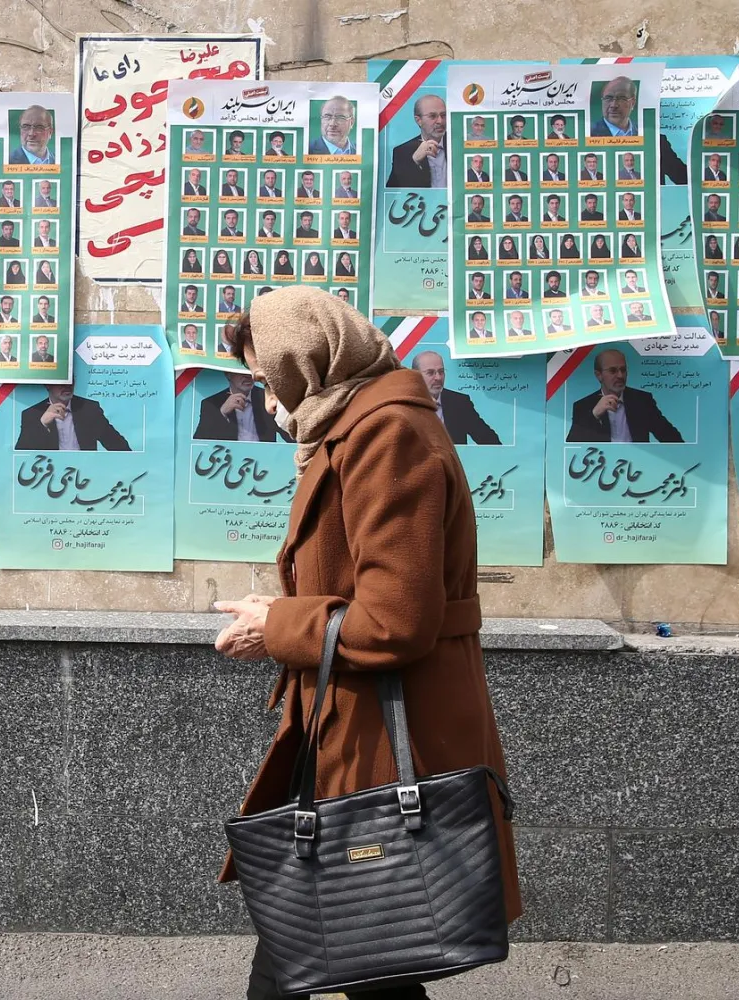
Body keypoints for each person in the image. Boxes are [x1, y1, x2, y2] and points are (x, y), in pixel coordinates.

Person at [213, 288, 520, 1000]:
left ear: (309, 362)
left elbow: (395, 620)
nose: (266, 401)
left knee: (345, 947)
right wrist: (283, 613)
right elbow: (357, 586)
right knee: (353, 949)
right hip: (356, 724)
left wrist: (280, 625)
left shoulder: (386, 436)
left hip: (384, 728)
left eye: (268, 381)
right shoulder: (354, 426)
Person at [567, 349, 683, 443]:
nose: (620, 375)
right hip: (603, 466)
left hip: (638, 467)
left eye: (623, 370)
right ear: (599, 375)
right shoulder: (583, 406)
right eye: (613, 371)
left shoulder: (642, 400)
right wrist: (594, 414)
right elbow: (573, 444)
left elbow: (671, 437)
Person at [412, 350, 499, 445]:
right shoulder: (407, 404)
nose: (438, 378)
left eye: (441, 372)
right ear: (415, 376)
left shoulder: (459, 403)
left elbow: (490, 440)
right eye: (430, 373)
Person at [16, 384, 130, 451]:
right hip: (49, 474)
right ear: (48, 385)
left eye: (71, 381)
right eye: (62, 382)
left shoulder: (89, 409)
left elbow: (118, 444)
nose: (67, 386)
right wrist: (42, 424)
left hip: (85, 474)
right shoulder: (32, 414)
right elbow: (21, 454)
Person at [195, 371, 292, 443]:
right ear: (228, 375)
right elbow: (200, 443)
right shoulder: (211, 403)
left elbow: (291, 436)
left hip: (264, 462)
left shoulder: (268, 399)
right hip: (229, 461)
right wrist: (222, 413)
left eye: (250, 370)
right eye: (240, 372)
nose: (248, 376)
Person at [386, 94, 445, 188]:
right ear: (419, 120)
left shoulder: (457, 144)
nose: (440, 121)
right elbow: (392, 192)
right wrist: (414, 161)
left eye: (443, 115)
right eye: (433, 116)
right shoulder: (402, 152)